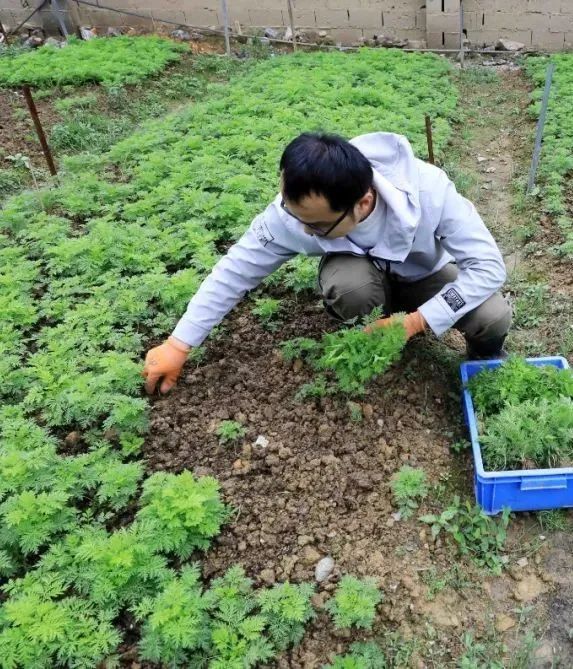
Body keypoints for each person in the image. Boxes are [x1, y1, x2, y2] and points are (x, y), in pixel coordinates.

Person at [143, 131, 511, 394]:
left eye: (317, 226)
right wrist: (178, 345)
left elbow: (489, 268)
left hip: (425, 275)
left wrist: (415, 322)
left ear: (363, 203)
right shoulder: (294, 213)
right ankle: (368, 333)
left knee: (492, 316)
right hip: (362, 278)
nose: (303, 230)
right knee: (349, 290)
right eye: (297, 216)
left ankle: (482, 362)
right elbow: (235, 270)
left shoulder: (429, 190)